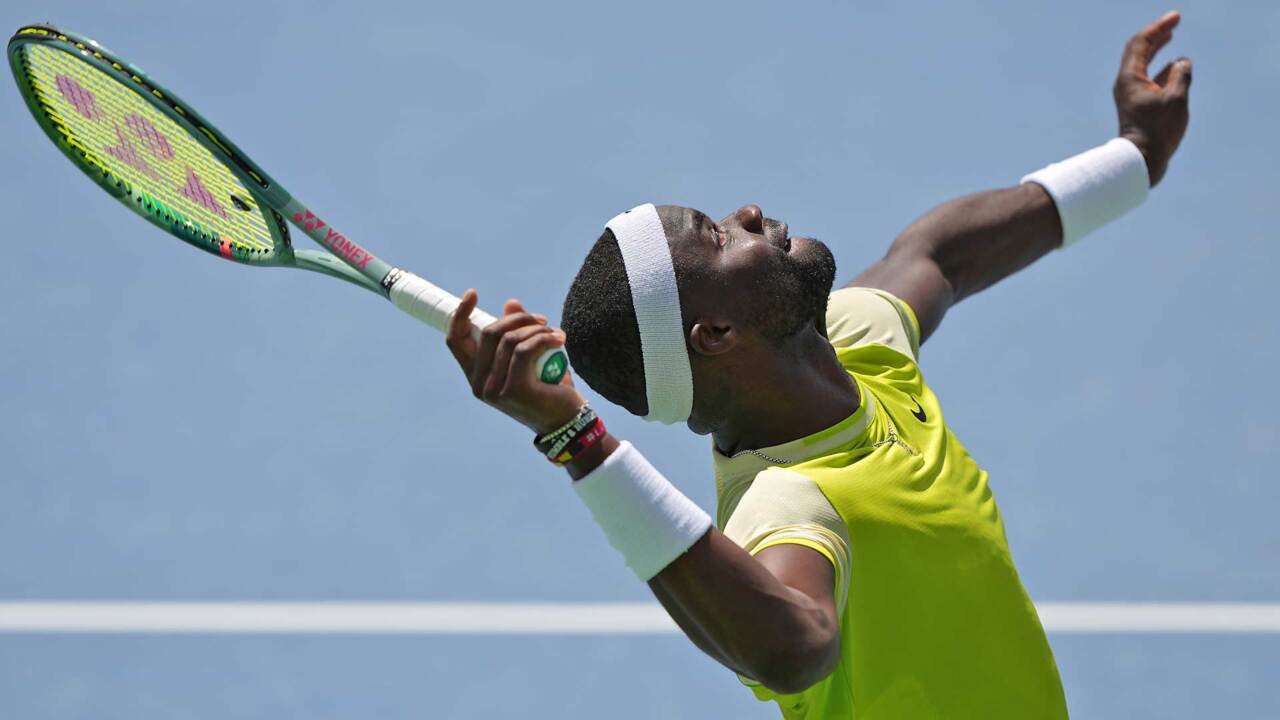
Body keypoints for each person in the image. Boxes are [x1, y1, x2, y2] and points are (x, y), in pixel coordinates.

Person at [444, 11, 1192, 719]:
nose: (746, 213)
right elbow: (795, 649)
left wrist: (1134, 158)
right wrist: (578, 439)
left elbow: (943, 254)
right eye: (713, 235)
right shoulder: (791, 506)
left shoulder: (860, 342)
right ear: (715, 333)